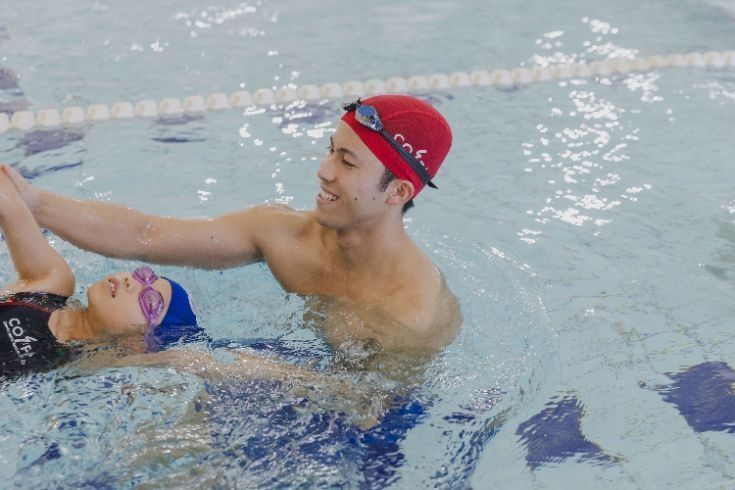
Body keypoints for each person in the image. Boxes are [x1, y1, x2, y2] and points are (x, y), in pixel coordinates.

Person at [1, 94, 461, 361]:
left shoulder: (411, 315)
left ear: (398, 192)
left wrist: (207, 365)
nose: (323, 171)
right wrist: (34, 203)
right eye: (330, 150)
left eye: (347, 161)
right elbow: (146, 235)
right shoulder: (281, 233)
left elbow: (362, 405)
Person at [0, 169, 203, 378]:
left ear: (139, 345)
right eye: (142, 276)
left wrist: (166, 360)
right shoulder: (50, 283)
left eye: (149, 301)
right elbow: (9, 205)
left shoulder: (86, 367)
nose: (130, 281)